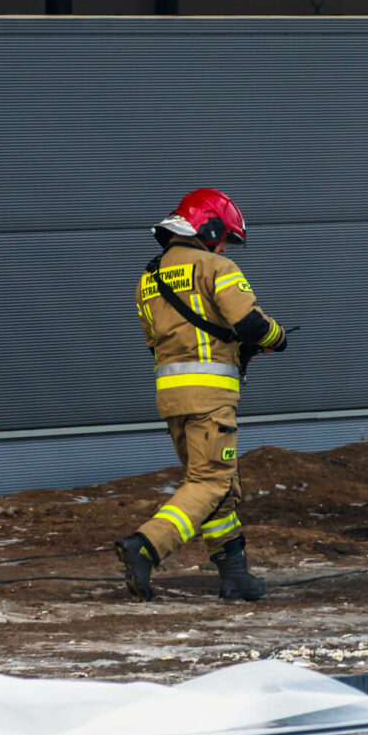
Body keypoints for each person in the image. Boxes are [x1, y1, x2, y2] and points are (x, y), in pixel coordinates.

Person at [116, 188, 288, 601]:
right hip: (210, 397)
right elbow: (249, 324)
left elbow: (157, 340)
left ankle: (235, 576)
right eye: (223, 234)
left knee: (221, 487)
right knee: (210, 482)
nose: (226, 244)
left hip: (172, 398)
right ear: (207, 226)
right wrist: (277, 337)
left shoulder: (150, 278)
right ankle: (146, 546)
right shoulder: (216, 266)